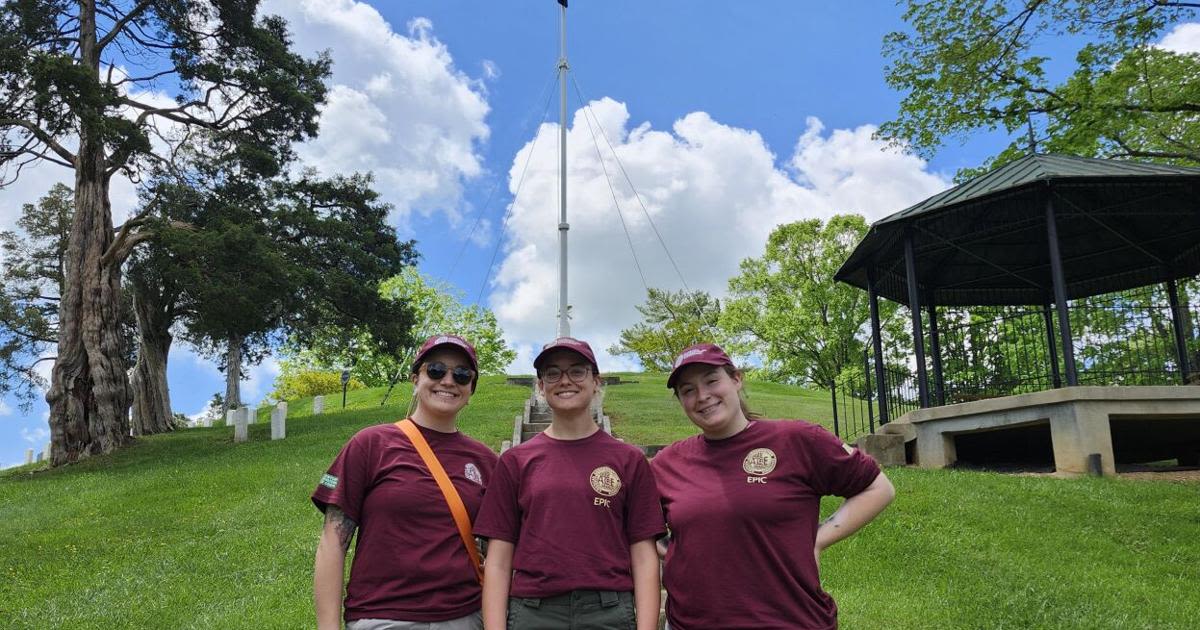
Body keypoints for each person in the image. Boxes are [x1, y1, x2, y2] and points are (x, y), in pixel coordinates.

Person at [652, 343, 895, 630]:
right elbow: (637, 528)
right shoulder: (667, 463)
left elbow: (878, 489)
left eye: (711, 380)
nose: (702, 396)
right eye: (688, 390)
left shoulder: (797, 439)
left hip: (789, 620)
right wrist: (671, 550)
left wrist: (817, 540)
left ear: (736, 379)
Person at [475, 337, 664, 630]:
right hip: (533, 613)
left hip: (609, 611)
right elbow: (498, 562)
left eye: (577, 371)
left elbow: (643, 556)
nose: (565, 381)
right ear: (540, 386)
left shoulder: (628, 460)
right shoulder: (515, 461)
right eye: (553, 373)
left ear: (595, 381)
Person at [312, 334, 499, 630]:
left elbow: (499, 554)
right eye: (436, 370)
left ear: (471, 388)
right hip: (383, 616)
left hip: (465, 616)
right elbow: (333, 542)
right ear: (415, 378)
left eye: (462, 374)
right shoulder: (371, 444)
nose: (449, 380)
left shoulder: (486, 461)